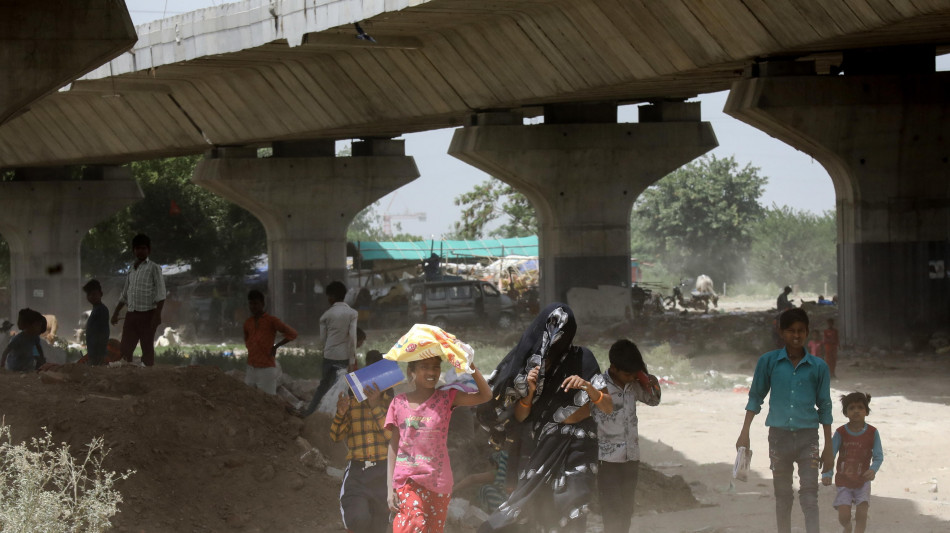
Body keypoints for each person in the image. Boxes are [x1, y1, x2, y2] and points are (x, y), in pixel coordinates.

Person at [477, 303, 609, 533]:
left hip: (579, 446)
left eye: (562, 335)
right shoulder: (530, 365)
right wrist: (529, 392)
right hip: (542, 449)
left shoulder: (582, 358)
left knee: (574, 503)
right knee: (539, 509)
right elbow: (521, 416)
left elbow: (606, 405)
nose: (555, 341)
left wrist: (588, 389)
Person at [737, 307, 833, 533]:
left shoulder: (819, 367)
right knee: (782, 496)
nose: (796, 335)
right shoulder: (768, 362)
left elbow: (825, 407)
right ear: (781, 332)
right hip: (778, 438)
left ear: (807, 332)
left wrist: (829, 447)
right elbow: (755, 398)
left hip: (808, 439)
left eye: (801, 330)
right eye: (791, 331)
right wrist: (744, 433)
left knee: (809, 496)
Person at [385, 356, 492, 533]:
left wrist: (470, 365)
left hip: (439, 483)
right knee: (415, 525)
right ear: (411, 371)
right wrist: (391, 488)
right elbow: (393, 446)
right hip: (407, 481)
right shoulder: (399, 403)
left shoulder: (447, 398)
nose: (431, 371)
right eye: (424, 367)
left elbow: (486, 395)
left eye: (436, 367)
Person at [590, 339, 661, 533]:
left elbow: (653, 400)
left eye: (634, 374)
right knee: (612, 508)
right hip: (607, 460)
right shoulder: (598, 385)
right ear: (614, 368)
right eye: (627, 374)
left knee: (626, 509)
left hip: (631, 457)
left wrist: (649, 381)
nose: (631, 378)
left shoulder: (634, 385)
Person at [329, 349, 392, 533]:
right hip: (358, 471)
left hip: (384, 472)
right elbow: (335, 436)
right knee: (357, 519)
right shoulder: (352, 404)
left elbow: (392, 437)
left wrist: (375, 406)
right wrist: (340, 414)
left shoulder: (391, 404)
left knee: (378, 527)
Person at [822, 392, 883, 533]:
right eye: (852, 408)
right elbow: (830, 454)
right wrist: (827, 473)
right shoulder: (841, 432)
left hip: (863, 481)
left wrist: (873, 469)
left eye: (860, 407)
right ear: (845, 413)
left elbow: (878, 456)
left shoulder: (873, 433)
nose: (856, 411)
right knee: (844, 515)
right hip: (844, 481)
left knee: (862, 514)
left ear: (866, 411)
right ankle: (847, 527)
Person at [301, 281, 359, 417]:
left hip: (328, 356)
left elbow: (323, 339)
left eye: (328, 296)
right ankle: (337, 416)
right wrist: (352, 360)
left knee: (323, 386)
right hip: (343, 357)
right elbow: (353, 338)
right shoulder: (352, 313)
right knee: (341, 388)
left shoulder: (326, 315)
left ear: (331, 297)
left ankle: (310, 412)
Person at [111, 234, 166, 366]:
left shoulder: (154, 268)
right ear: (133, 250)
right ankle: (128, 372)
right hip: (131, 314)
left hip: (148, 314)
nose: (140, 251)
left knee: (147, 347)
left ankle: (147, 372)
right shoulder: (131, 269)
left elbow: (161, 293)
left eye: (143, 248)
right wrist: (116, 313)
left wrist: (157, 315)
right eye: (137, 249)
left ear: (149, 250)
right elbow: (125, 294)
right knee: (125, 348)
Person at [242, 290, 297, 395]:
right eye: (251, 304)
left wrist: (276, 346)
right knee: (248, 398)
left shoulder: (271, 321)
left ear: (262, 304)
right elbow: (247, 340)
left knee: (268, 400)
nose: (253, 307)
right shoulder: (248, 323)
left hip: (266, 369)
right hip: (251, 368)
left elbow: (293, 334)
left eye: (256, 303)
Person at [82, 279, 110, 366]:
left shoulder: (101, 310)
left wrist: (100, 353)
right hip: (93, 352)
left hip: (98, 352)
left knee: (97, 370)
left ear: (101, 294)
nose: (91, 297)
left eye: (94, 294)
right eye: (89, 294)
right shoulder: (96, 309)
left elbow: (104, 333)